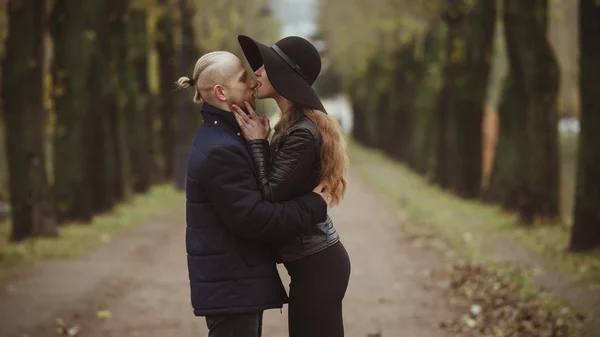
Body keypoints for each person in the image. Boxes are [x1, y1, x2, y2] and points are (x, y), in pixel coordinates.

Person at [176, 51, 331, 337]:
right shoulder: (221, 148)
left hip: (235, 279)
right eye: (243, 79)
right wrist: (314, 205)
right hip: (232, 285)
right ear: (221, 92)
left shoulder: (228, 135)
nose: (253, 84)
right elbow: (255, 218)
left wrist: (259, 144)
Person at [232, 35, 352, 337]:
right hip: (311, 265)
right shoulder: (290, 124)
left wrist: (257, 143)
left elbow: (270, 193)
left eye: (266, 67)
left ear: (284, 75)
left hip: (318, 266)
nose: (257, 73)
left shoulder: (302, 132)